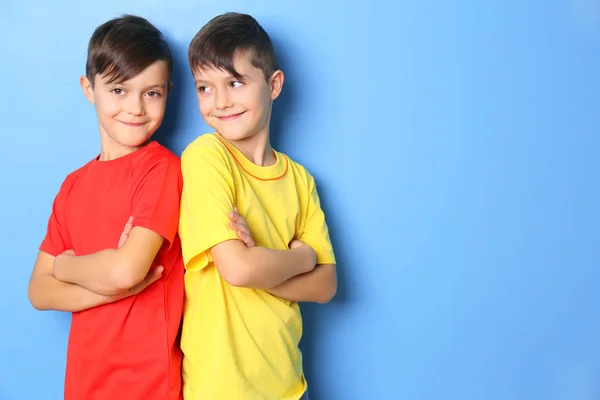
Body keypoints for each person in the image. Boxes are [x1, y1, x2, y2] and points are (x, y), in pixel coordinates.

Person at [178, 12, 337, 400]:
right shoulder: (206, 156)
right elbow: (238, 268)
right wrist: (301, 259)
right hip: (219, 387)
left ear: (274, 84)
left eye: (235, 82)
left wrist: (261, 262)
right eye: (204, 87)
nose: (220, 102)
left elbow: (326, 285)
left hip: (287, 383)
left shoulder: (301, 180)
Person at [27, 15, 183, 400]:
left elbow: (125, 271)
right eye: (118, 90)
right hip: (84, 384)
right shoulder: (73, 185)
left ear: (168, 91)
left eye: (152, 93)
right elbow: (39, 292)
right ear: (88, 88)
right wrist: (112, 282)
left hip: (148, 385)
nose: (135, 108)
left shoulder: (162, 169)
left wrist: (65, 266)